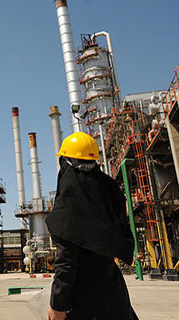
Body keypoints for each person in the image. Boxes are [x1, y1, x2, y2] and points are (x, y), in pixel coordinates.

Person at [45, 132, 139, 320]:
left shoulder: (70, 202)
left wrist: (58, 305)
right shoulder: (109, 189)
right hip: (114, 294)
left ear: (66, 162)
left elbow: (66, 261)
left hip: (84, 302)